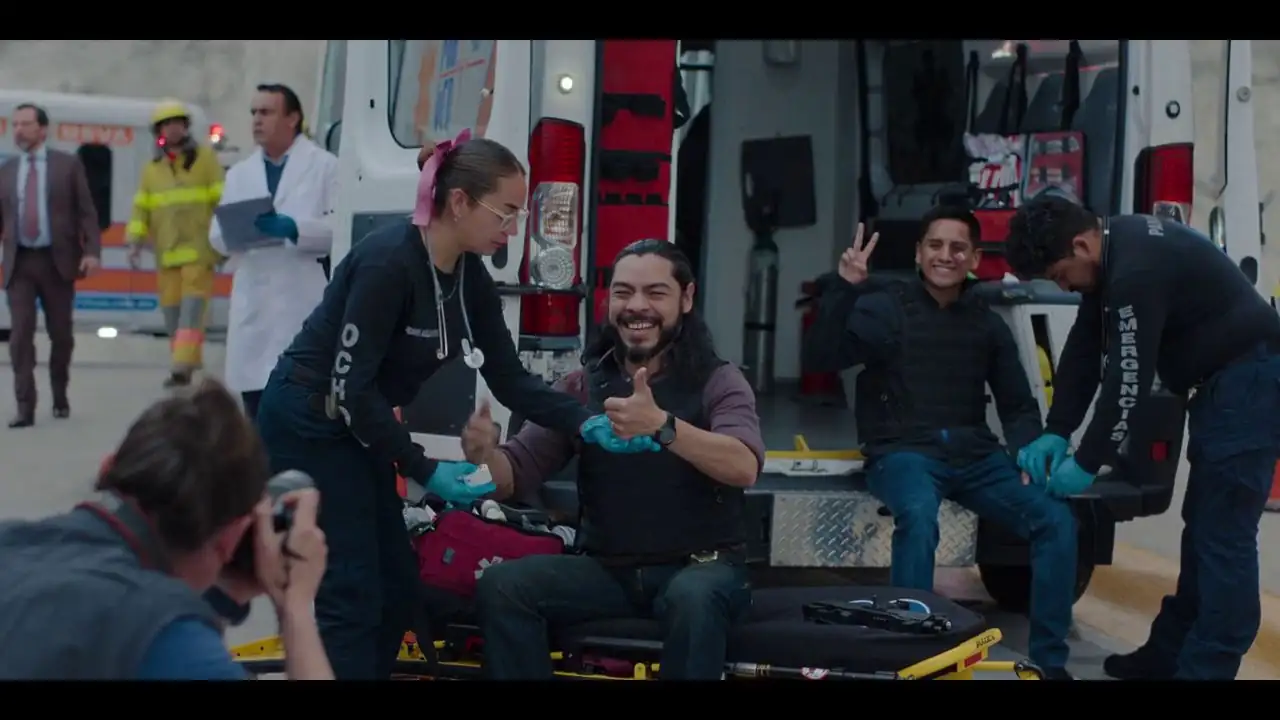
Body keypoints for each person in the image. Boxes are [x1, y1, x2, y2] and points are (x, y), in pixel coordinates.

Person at [253, 128, 657, 680]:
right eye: (505, 211)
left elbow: (511, 379)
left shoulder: (469, 278)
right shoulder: (388, 265)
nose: (513, 227)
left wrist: (586, 424)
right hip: (311, 423)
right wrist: (424, 468)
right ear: (460, 202)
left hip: (357, 425)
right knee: (350, 593)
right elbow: (351, 390)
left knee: (398, 586)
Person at [1004, 195, 1280, 681]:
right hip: (1229, 383)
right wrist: (1057, 431)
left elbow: (1126, 379)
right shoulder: (1115, 250)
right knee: (1203, 527)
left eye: (1060, 275)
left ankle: (1207, 667)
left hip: (1251, 384)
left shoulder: (1136, 270)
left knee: (1223, 537)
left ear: (1080, 245)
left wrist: (1087, 462)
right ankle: (1170, 653)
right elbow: (1086, 349)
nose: (1063, 286)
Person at [803, 206, 1078, 680]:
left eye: (957, 248)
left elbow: (1017, 404)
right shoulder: (885, 306)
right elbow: (822, 356)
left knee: (1056, 520)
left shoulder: (987, 323)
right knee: (918, 516)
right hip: (903, 453)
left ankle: (1050, 664)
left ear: (974, 258)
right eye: (935, 245)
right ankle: (909, 656)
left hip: (974, 456)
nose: (945, 256)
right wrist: (844, 288)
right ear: (918, 253)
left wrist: (1027, 451)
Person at [468, 239, 763, 680]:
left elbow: (744, 466)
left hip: (703, 568)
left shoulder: (720, 381)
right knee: (504, 586)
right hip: (609, 570)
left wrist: (661, 426)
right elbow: (512, 474)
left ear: (686, 298)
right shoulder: (582, 385)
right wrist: (482, 455)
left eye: (655, 293)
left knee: (693, 598)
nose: (636, 306)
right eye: (623, 292)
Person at [0, 378, 332, 679]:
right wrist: (295, 607)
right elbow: (168, 647)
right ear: (233, 536)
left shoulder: (10, 545)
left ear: (107, 467)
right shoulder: (165, 639)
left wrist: (227, 595)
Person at [210, 84, 337, 420]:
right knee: (256, 413)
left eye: (266, 112)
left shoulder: (325, 166)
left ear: (292, 118)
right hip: (254, 302)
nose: (256, 120)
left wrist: (295, 228)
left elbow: (341, 228)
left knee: (299, 411)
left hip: (300, 299)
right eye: (254, 112)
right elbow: (216, 236)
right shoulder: (240, 174)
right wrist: (239, 231)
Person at [0, 102, 101, 428]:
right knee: (20, 334)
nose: (18, 130)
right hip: (20, 263)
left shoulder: (66, 166)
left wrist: (92, 251)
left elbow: (87, 212)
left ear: (42, 129)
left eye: (25, 124)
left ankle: (60, 392)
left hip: (57, 262)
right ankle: (25, 406)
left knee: (61, 335)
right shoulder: (7, 171)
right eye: (15, 124)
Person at [125, 98, 226, 389]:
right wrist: (134, 242)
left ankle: (181, 368)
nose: (173, 128)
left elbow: (222, 201)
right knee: (172, 315)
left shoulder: (205, 160)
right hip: (166, 255)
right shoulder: (152, 169)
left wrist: (224, 242)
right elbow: (141, 209)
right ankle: (188, 362)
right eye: (167, 124)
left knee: (191, 313)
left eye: (178, 123)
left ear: (186, 127)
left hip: (199, 252)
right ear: (158, 130)